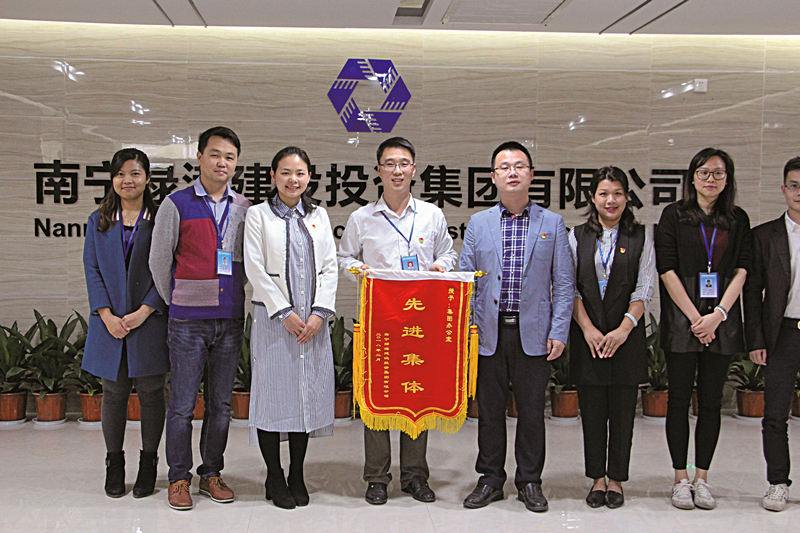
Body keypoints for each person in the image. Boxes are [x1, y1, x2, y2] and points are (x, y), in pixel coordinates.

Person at [338, 136, 458, 505]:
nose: (397, 170)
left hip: (421, 322)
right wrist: (360, 271)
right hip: (380, 322)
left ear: (414, 169)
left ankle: (415, 476)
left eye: (403, 163)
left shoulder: (431, 215)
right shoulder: (361, 218)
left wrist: (440, 266)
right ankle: (377, 477)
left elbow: (449, 253)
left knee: (416, 395)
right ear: (378, 170)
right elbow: (344, 258)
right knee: (377, 397)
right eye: (389, 163)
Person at [459, 141, 574, 513]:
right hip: (488, 333)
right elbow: (467, 282)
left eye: (519, 166)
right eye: (504, 167)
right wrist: (467, 332)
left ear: (531, 175)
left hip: (534, 334)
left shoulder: (552, 223)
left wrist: (558, 330)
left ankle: (530, 481)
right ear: (493, 177)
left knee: (531, 411)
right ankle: (490, 478)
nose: (512, 172)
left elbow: (564, 283)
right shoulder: (479, 223)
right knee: (489, 412)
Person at [149, 126, 252, 511]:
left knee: (221, 404)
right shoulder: (176, 203)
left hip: (230, 319)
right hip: (188, 321)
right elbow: (160, 261)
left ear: (236, 163)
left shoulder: (244, 208)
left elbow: (246, 264)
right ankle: (179, 477)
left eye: (229, 157)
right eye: (215, 154)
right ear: (199, 157)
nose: (222, 162)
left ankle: (211, 473)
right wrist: (179, 301)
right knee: (182, 404)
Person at [655, 147, 751, 510]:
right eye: (704, 172)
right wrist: (697, 318)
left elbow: (742, 269)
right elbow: (666, 268)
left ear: (728, 179)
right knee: (678, 401)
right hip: (684, 321)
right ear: (692, 177)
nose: (711, 179)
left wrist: (718, 314)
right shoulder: (674, 215)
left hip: (721, 322)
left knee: (711, 403)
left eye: (718, 173)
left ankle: (702, 478)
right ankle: (680, 478)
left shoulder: (737, 219)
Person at [243, 147, 338, 509]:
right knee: (272, 398)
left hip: (312, 323)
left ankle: (297, 473)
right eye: (285, 172)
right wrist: (283, 312)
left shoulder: (319, 215)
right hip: (274, 322)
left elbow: (329, 267)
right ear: (273, 176)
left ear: (309, 176)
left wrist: (319, 313)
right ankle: (274, 475)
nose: (293, 180)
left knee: (304, 398)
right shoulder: (258, 215)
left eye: (299, 173)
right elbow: (254, 267)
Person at [83, 148, 168, 499]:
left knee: (151, 394)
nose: (127, 180)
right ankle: (114, 464)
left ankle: (148, 465)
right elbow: (92, 270)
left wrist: (146, 310)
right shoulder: (99, 220)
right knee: (114, 394)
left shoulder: (161, 219)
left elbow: (169, 269)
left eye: (134, 173)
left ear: (147, 178)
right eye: (120, 174)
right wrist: (106, 315)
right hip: (110, 324)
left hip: (148, 320)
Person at [568, 167, 656, 509]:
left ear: (627, 197)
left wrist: (624, 329)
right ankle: (597, 479)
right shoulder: (577, 236)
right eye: (604, 193)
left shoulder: (641, 236)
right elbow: (570, 287)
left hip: (626, 338)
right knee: (591, 413)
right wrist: (588, 328)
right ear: (593, 198)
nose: (611, 200)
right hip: (588, 337)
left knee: (622, 414)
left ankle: (616, 479)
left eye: (618, 193)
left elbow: (644, 288)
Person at [744, 156, 800, 512]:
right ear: (783, 189)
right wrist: (756, 339)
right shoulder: (765, 236)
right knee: (776, 414)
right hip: (784, 333)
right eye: (794, 185)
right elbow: (753, 293)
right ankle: (778, 483)